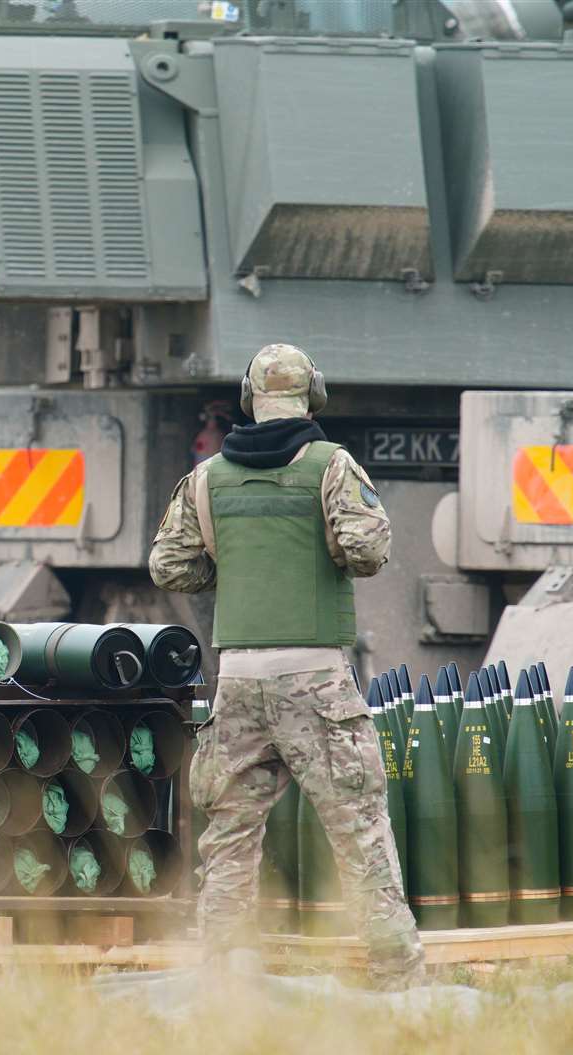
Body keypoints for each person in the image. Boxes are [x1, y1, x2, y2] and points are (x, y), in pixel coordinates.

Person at [149, 343, 424, 989]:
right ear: (313, 396)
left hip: (239, 680)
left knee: (230, 838)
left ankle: (220, 979)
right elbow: (367, 550)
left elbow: (170, 565)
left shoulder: (207, 479)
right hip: (316, 680)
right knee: (358, 830)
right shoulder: (333, 467)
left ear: (248, 397)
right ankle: (397, 979)